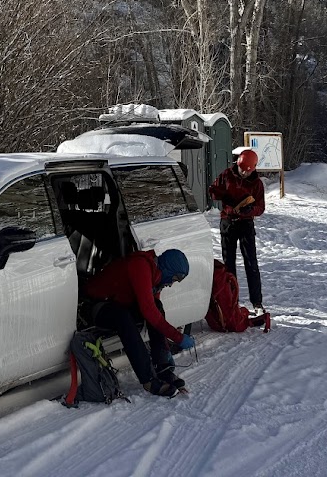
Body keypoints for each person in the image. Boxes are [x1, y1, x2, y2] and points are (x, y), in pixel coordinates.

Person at [84, 247, 194, 397]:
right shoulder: (140, 266)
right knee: (123, 318)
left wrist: (165, 349)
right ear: (167, 270)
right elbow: (148, 311)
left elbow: (154, 310)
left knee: (157, 306)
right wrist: (178, 337)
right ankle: (148, 379)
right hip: (96, 305)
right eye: (174, 279)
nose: (171, 284)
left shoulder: (156, 275)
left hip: (119, 303)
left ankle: (163, 368)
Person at [209, 147, 266, 313]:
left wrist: (251, 210)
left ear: (253, 169)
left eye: (248, 171)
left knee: (251, 263)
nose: (244, 173)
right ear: (238, 165)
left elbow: (261, 207)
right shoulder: (227, 175)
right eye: (242, 170)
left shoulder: (257, 184)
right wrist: (222, 195)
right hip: (228, 222)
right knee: (229, 264)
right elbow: (213, 191)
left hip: (246, 223)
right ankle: (231, 301)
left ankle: (257, 302)